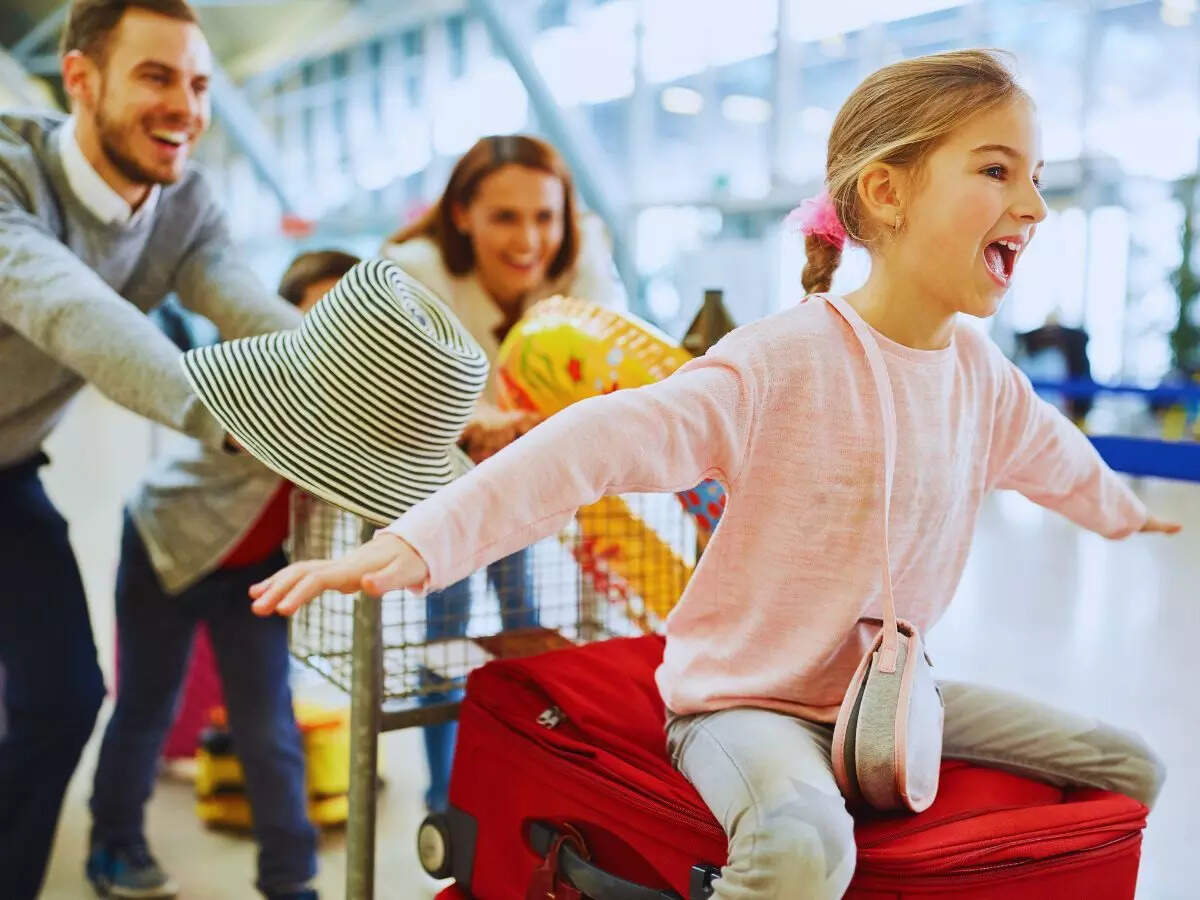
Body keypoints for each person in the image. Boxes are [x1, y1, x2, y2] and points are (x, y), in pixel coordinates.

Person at [249, 50, 1181, 899]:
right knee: (804, 848)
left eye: (1037, 177)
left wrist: (1122, 513)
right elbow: (590, 443)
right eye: (997, 171)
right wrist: (414, 545)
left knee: (1126, 765)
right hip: (745, 702)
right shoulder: (781, 361)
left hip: (882, 697)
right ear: (887, 191)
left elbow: (1052, 454)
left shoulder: (983, 376)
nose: (1035, 206)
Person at [0, 1, 302, 895]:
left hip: (8, 473)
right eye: (156, 76)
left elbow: (256, 313)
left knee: (63, 700)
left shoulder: (185, 205)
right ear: (80, 78)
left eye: (200, 84)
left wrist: (363, 393)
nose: (186, 107)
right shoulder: (11, 174)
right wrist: (236, 417)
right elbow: (72, 310)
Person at [85, 250, 358, 900]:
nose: (331, 334)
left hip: (255, 571)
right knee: (147, 706)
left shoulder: (355, 402)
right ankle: (114, 847)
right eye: (315, 315)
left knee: (267, 724)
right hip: (167, 543)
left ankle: (289, 877)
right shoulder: (263, 380)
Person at [382, 134, 627, 812]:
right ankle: (446, 797)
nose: (528, 240)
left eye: (545, 217)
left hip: (528, 483)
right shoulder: (415, 272)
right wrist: (481, 420)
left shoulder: (581, 259)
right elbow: (409, 386)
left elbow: (609, 356)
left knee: (527, 627)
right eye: (505, 217)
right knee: (448, 628)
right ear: (462, 214)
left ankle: (519, 783)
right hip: (445, 482)